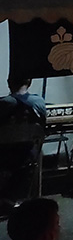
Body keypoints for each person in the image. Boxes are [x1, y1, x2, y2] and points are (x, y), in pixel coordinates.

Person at [0, 75, 47, 204]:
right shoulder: (39, 102)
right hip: (28, 153)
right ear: (29, 82)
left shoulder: (3, 103)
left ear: (9, 83)